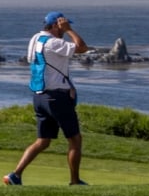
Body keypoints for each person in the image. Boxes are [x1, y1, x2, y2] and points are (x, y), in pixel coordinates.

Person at [5, 11, 94, 186]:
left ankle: (15, 175)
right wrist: (69, 31)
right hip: (57, 97)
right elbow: (82, 47)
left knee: (43, 141)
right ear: (56, 25)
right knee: (75, 139)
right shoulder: (54, 42)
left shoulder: (36, 38)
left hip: (40, 96)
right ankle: (75, 181)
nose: (65, 28)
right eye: (63, 25)